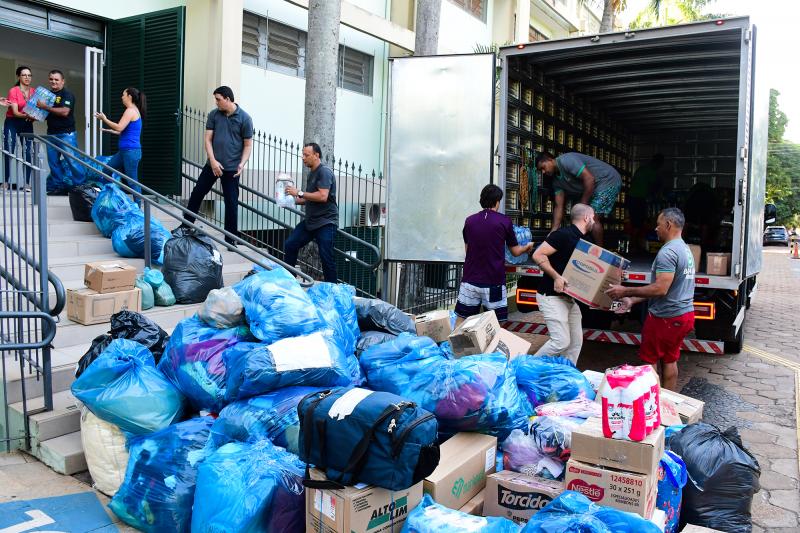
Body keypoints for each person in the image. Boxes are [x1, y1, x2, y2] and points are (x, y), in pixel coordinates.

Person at [606, 208, 696, 391]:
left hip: (665, 318)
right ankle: (667, 403)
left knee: (649, 365)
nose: (655, 228)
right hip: (683, 315)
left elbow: (660, 289)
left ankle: (652, 406)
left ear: (668, 225)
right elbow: (668, 289)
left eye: (658, 224)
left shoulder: (667, 253)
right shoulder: (685, 249)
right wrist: (633, 300)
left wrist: (625, 291)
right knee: (670, 360)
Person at [454, 184, 534, 325]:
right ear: (497, 201)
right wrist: (527, 246)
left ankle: (455, 346)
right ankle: (495, 347)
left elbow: (468, 250)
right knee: (497, 324)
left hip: (469, 281)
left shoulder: (469, 221)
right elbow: (515, 252)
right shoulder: (504, 221)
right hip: (493, 282)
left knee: (462, 319)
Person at [185, 86, 253, 245]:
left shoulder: (245, 119)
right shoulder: (214, 115)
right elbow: (208, 139)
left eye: (218, 99)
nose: (216, 103)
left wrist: (242, 164)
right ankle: (186, 225)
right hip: (212, 165)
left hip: (232, 169)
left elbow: (248, 145)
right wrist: (213, 161)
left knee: (231, 203)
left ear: (228, 99)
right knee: (197, 193)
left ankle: (231, 239)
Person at [531, 203, 595, 364]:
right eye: (593, 217)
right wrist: (556, 277)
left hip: (569, 298)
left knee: (575, 343)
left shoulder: (586, 240)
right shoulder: (562, 235)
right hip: (551, 296)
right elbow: (538, 254)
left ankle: (566, 377)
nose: (594, 221)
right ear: (586, 217)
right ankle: (526, 368)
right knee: (561, 341)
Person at [535, 151, 622, 247]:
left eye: (543, 167)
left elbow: (589, 179)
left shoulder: (566, 160)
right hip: (593, 187)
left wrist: (582, 206)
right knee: (581, 218)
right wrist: (553, 230)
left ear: (549, 159)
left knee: (591, 218)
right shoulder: (556, 182)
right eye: (540, 171)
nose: (543, 172)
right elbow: (558, 206)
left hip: (607, 180)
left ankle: (599, 253)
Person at [284, 143, 339, 283]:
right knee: (290, 244)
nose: (303, 158)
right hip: (311, 222)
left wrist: (300, 192)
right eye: (302, 154)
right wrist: (291, 201)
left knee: (326, 257)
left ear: (316, 155)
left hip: (326, 222)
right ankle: (289, 281)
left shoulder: (324, 172)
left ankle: (333, 289)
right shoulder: (312, 173)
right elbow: (310, 198)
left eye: (306, 155)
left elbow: (322, 196)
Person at [94, 87, 146, 204]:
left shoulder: (131, 111)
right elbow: (120, 131)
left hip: (131, 152)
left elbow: (119, 127)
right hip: (124, 151)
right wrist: (107, 130)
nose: (121, 97)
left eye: (123, 95)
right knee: (106, 170)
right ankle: (109, 198)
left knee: (132, 181)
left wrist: (104, 119)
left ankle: (138, 207)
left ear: (129, 96)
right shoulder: (133, 110)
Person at [37, 69, 84, 192]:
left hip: (66, 134)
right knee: (53, 163)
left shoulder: (67, 94)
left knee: (73, 162)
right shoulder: (48, 96)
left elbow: (64, 111)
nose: (53, 81)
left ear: (63, 81)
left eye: (56, 79)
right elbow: (44, 114)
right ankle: (57, 187)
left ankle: (80, 188)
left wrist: (45, 107)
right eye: (51, 79)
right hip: (51, 133)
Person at [3, 66, 35, 191]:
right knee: (8, 150)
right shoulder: (14, 91)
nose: (27, 77)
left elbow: (37, 111)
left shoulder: (34, 91)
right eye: (24, 75)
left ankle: (26, 183)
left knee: (28, 152)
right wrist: (28, 115)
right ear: (19, 77)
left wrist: (35, 117)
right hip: (12, 122)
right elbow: (15, 112)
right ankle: (5, 182)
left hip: (27, 123)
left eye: (29, 75)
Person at [628, 154, 664, 252]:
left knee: (636, 222)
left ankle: (635, 245)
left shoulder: (642, 169)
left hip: (631, 197)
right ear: (659, 164)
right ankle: (633, 245)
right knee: (638, 223)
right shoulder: (652, 172)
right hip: (638, 198)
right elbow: (655, 186)